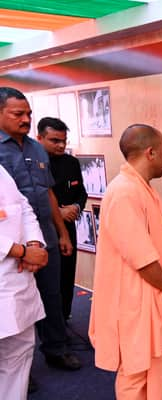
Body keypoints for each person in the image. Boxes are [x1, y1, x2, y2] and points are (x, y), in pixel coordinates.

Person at [89, 124, 162, 400]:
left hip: (152, 297)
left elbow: (161, 242)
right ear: (151, 152)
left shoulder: (141, 188)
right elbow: (141, 259)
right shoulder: (123, 192)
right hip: (135, 301)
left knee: (155, 369)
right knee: (135, 373)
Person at [0, 87, 80, 372]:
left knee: (52, 294)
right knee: (13, 306)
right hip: (8, 244)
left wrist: (61, 234)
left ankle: (56, 349)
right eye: (18, 114)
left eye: (29, 114)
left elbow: (47, 194)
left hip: (42, 234)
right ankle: (16, 366)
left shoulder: (36, 147)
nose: (26, 119)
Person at [0, 164, 49, 399]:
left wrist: (34, 245)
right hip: (9, 270)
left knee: (19, 356)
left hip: (18, 282)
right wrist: (19, 251)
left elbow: (23, 208)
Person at [37, 117, 88, 321]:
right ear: (39, 138)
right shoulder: (34, 166)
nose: (61, 145)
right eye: (54, 140)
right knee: (48, 283)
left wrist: (76, 207)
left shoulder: (71, 163)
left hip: (69, 230)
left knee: (67, 278)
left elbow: (81, 193)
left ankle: (64, 317)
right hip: (44, 232)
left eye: (63, 141)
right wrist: (58, 211)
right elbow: (31, 200)